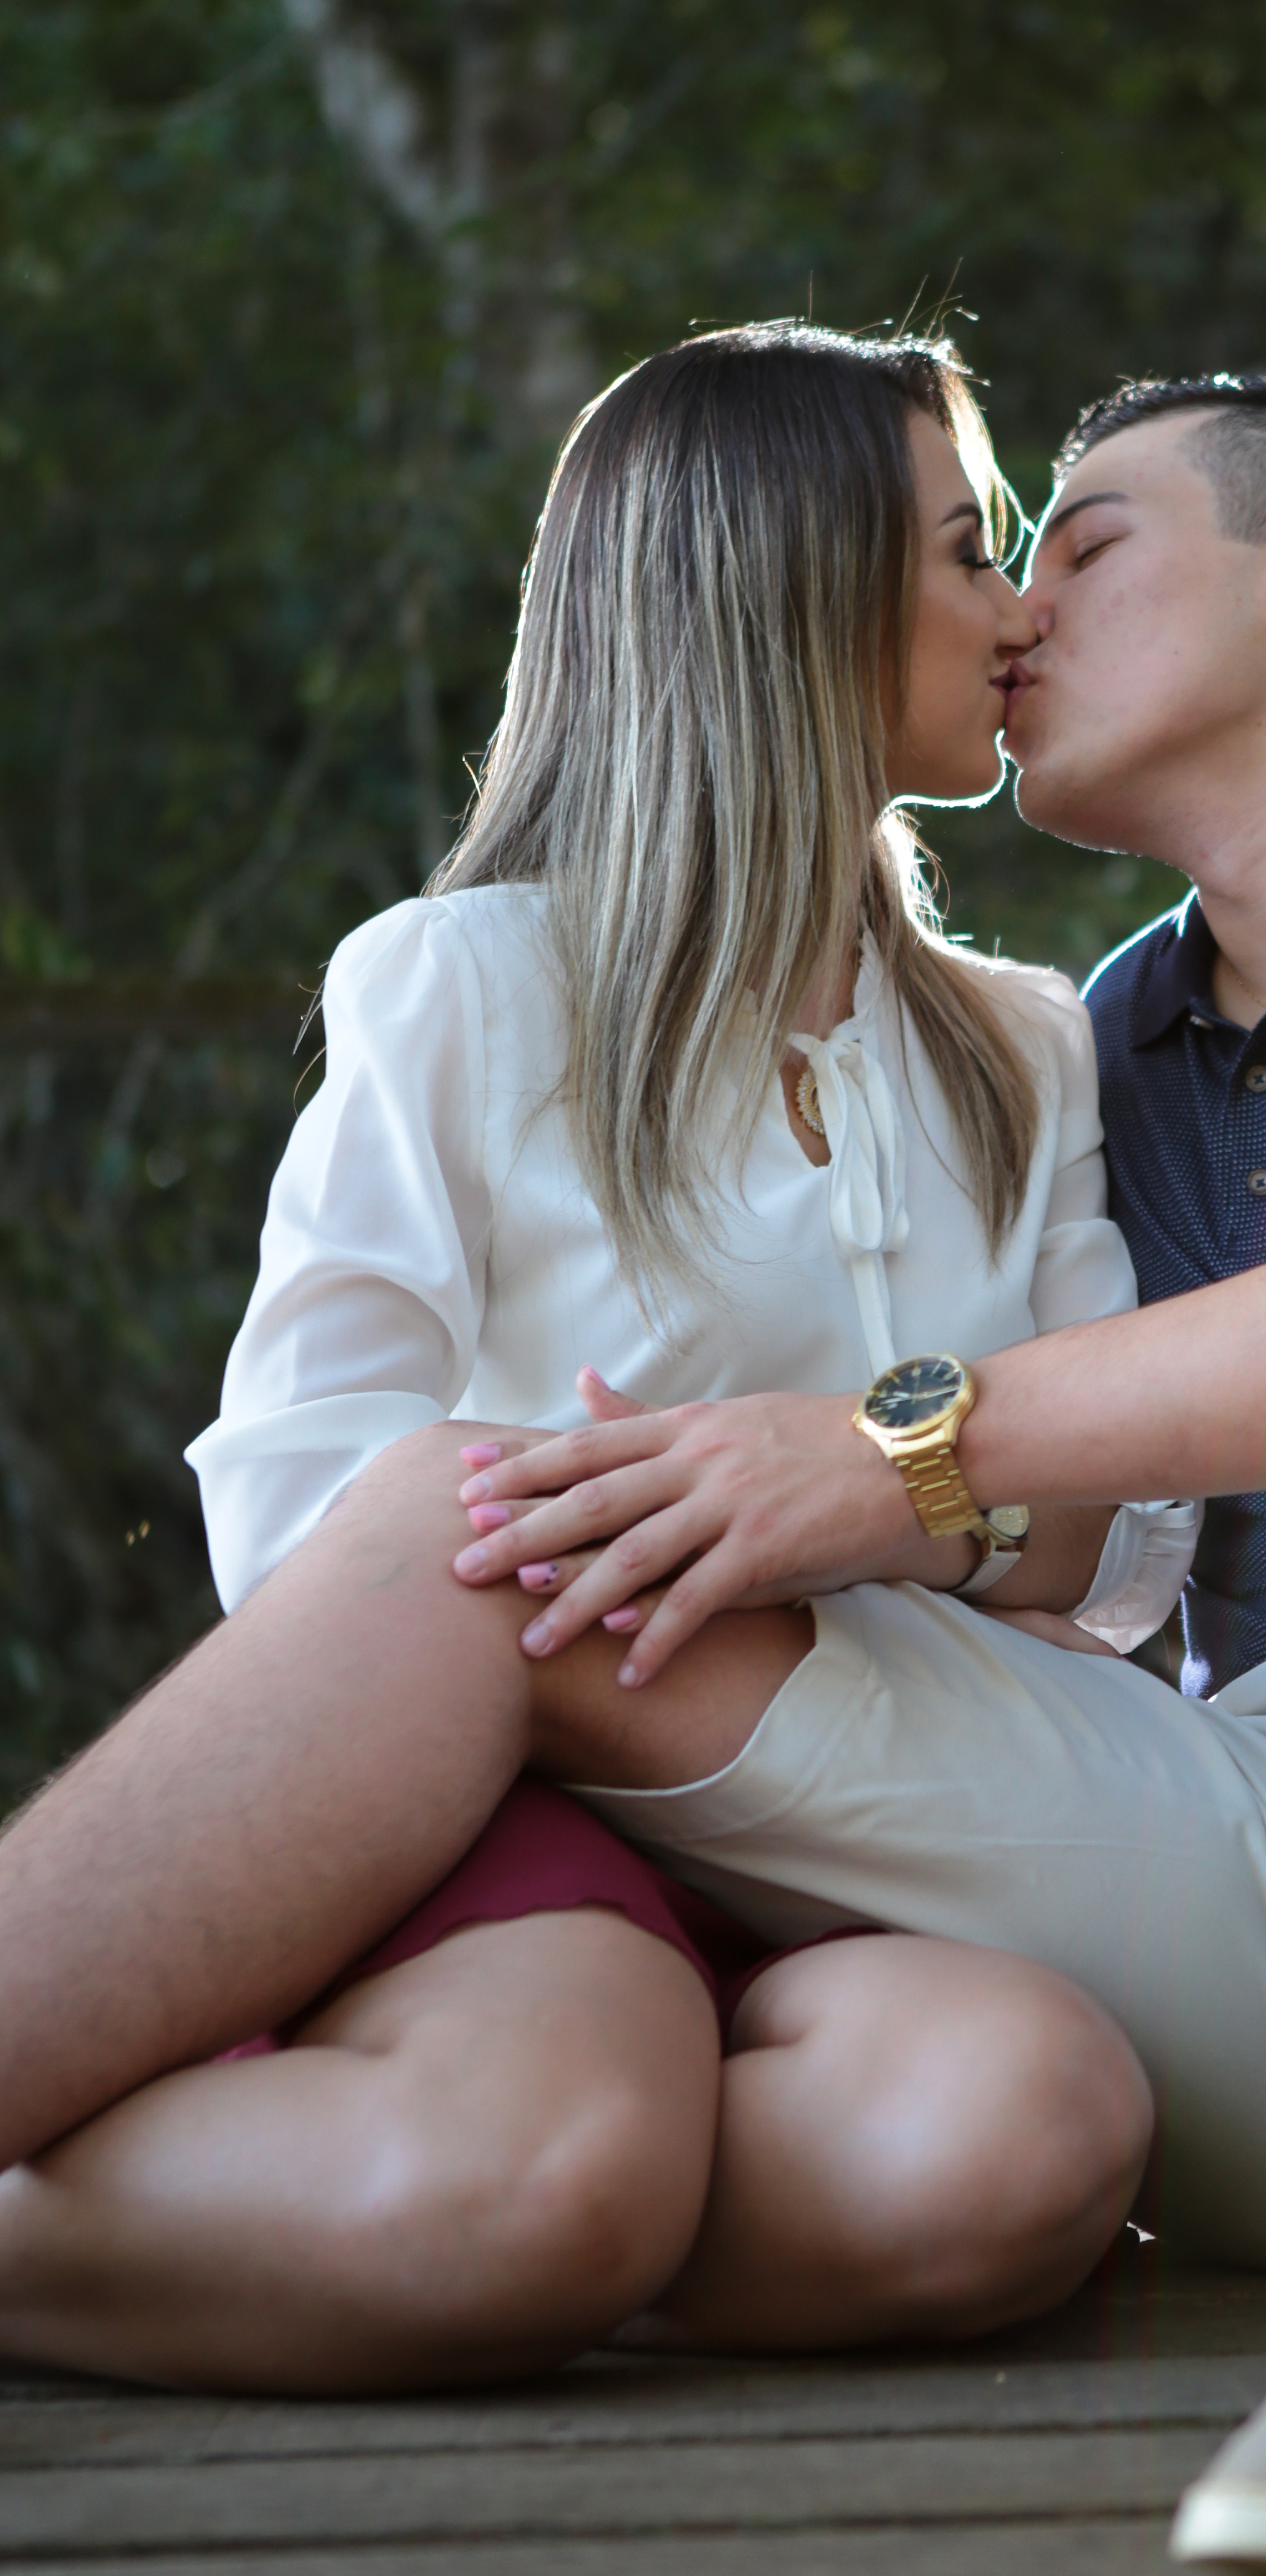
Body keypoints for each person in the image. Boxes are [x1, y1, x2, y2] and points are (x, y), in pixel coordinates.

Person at [0, 359, 1266, 2576]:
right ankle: (481, 2171)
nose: (1017, 612)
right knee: (578, 1639)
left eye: (1069, 543)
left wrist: (902, 1454)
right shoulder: (1115, 1033)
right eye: (984, 552)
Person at [0, 321, 1184, 2390]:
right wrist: (630, 1538)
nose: (1022, 609)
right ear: (787, 590)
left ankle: (441, 2225)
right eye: (963, 549)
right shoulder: (460, 986)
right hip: (523, 1789)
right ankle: (415, 2198)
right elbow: (307, 1500)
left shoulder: (1025, 1037)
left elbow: (1132, 1531)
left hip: (877, 1804)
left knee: (1020, 2142)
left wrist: (864, 1494)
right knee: (546, 2170)